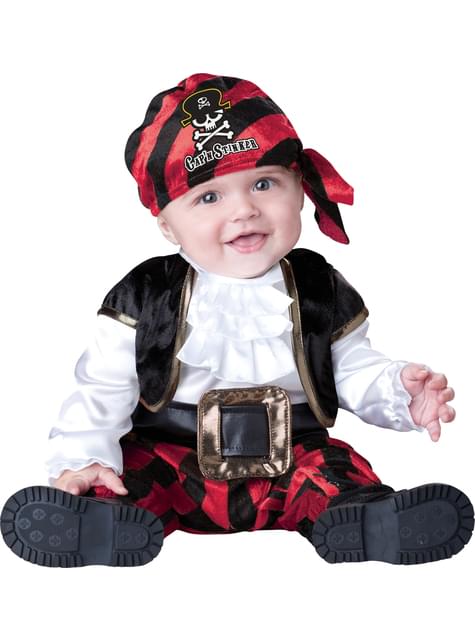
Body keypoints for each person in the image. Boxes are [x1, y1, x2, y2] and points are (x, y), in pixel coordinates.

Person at [1, 73, 473, 568]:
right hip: (173, 460)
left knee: (332, 472)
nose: (245, 210)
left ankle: (365, 520)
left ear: (300, 191)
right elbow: (102, 389)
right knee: (132, 480)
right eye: (209, 197)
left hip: (291, 459)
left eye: (264, 184)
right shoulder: (146, 293)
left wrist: (400, 390)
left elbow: (353, 370)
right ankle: (101, 521)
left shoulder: (319, 287)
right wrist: (85, 460)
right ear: (167, 224)